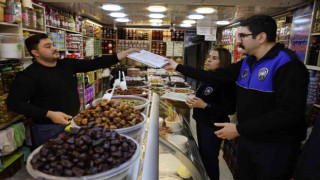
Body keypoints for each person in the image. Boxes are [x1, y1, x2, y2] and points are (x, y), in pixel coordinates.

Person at [164, 15, 309, 180]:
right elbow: (214, 76)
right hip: (248, 139)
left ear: (261, 37)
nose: (238, 41)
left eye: (242, 36)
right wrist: (177, 66)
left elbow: (289, 113)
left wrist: (239, 129)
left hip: (275, 147)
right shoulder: (247, 62)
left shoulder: (288, 64)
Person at [7, 33, 139, 146]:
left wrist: (122, 55)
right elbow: (14, 103)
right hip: (48, 128)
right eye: (48, 46)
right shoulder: (29, 75)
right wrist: (50, 114)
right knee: (52, 164)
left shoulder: (66, 64)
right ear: (35, 53)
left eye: (53, 44)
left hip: (74, 121)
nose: (54, 48)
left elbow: (94, 63)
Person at [185, 48, 236, 180]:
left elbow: (229, 109)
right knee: (203, 155)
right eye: (209, 57)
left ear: (223, 62)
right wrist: (195, 101)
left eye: (214, 58)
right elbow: (204, 98)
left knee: (210, 160)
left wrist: (205, 105)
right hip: (202, 122)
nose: (208, 60)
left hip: (212, 126)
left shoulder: (226, 83)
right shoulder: (208, 77)